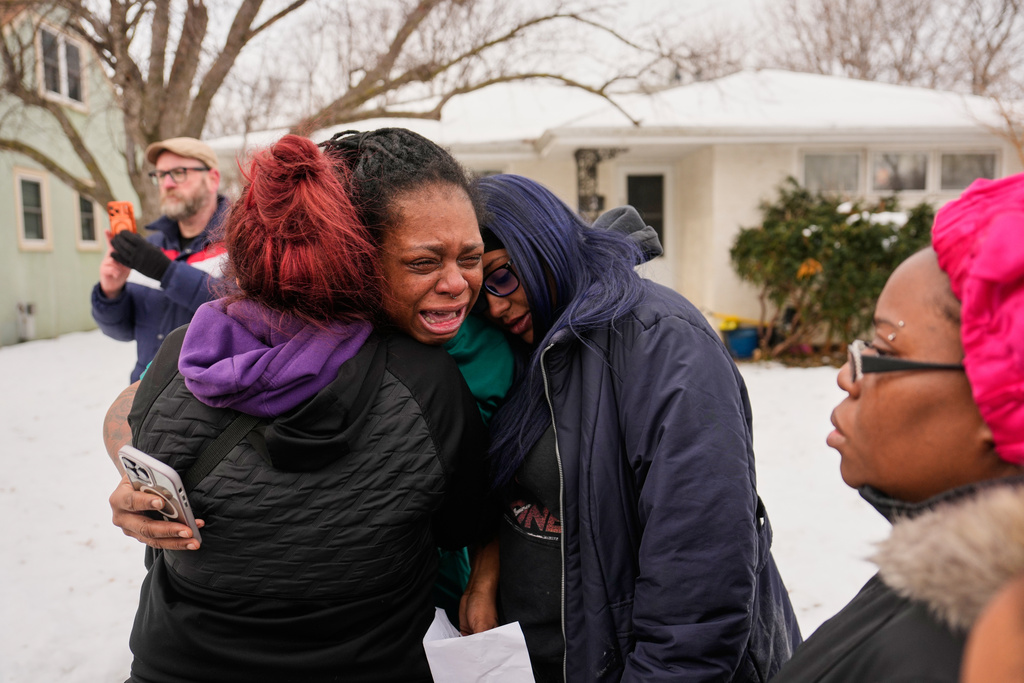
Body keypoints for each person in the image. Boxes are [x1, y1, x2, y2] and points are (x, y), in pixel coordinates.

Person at [112, 134, 489, 683]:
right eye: (423, 261)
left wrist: (130, 471)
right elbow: (461, 522)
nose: (456, 282)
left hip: (175, 662)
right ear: (357, 251)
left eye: (472, 258)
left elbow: (146, 453)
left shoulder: (181, 356)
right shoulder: (425, 382)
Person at [459, 174, 801, 682]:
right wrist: (487, 572)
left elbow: (699, 585)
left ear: (543, 244)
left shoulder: (660, 342)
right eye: (479, 290)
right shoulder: (537, 343)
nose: (494, 304)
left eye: (502, 275)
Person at [769, 173, 1024, 682]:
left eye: (883, 351)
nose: (847, 374)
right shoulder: (940, 587)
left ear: (999, 403)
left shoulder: (967, 653)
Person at [92, 137, 230, 381]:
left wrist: (166, 272)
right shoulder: (152, 247)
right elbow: (122, 330)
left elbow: (243, 315)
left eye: (179, 173)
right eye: (160, 175)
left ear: (213, 179)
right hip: (145, 403)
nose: (166, 184)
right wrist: (111, 292)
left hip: (210, 407)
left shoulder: (241, 242)